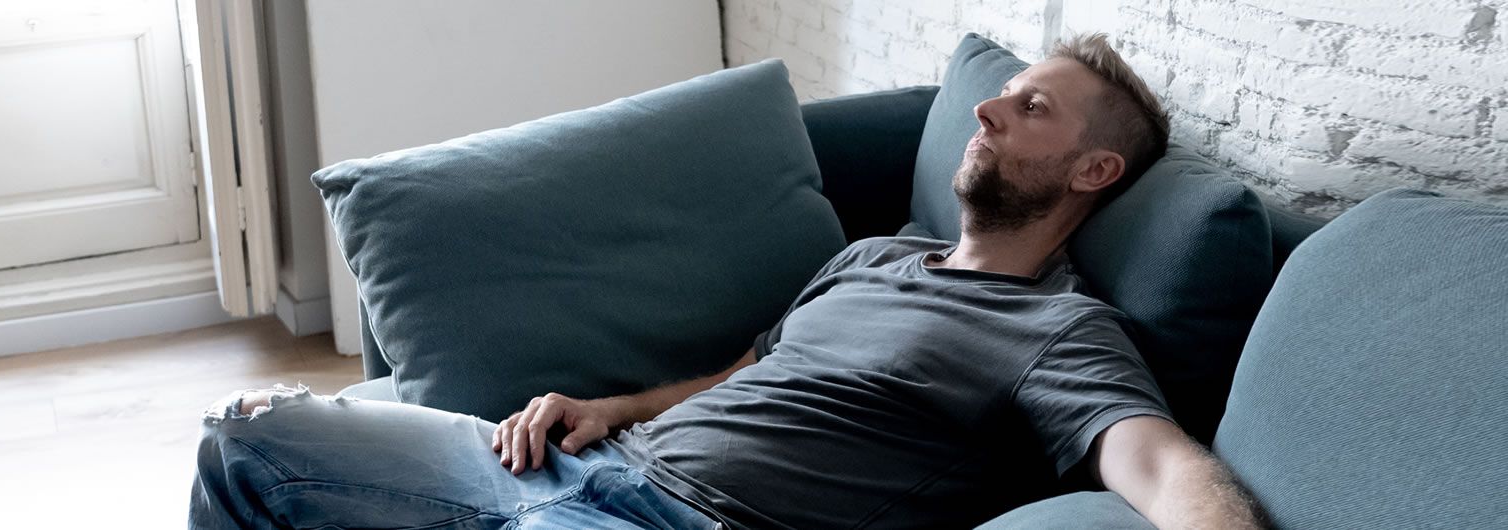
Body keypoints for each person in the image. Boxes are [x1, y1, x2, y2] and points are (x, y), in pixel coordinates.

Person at [188, 33, 1265, 530]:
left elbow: (1169, 471)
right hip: (575, 464)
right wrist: (607, 405)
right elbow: (750, 366)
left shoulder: (1056, 331)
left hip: (670, 520)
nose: (988, 110)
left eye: (1031, 109)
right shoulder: (875, 253)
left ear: (1094, 171)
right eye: (1001, 95)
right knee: (246, 433)